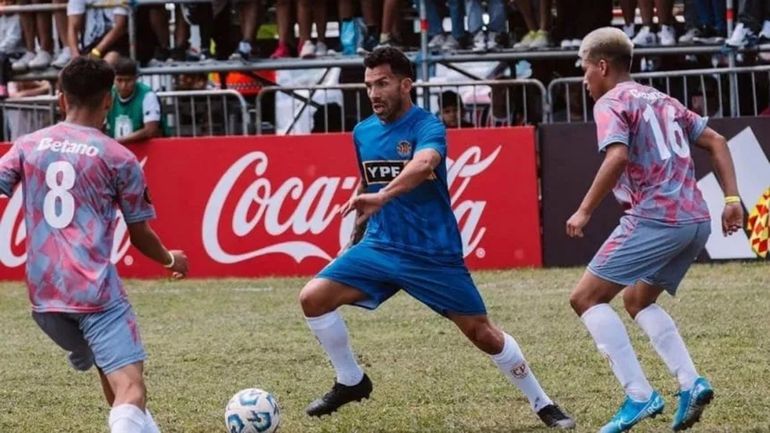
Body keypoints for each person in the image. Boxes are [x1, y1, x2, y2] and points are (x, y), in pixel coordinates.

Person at [297, 47, 576, 429]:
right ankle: (351, 380)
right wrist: (354, 238)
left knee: (483, 334)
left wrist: (383, 195)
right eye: (369, 85)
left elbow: (424, 163)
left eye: (383, 83)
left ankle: (542, 402)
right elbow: (368, 181)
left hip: (432, 253)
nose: (374, 93)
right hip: (380, 245)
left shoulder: (427, 126)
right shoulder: (362, 132)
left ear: (405, 85)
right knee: (312, 298)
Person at [567, 27, 742, 433]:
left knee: (585, 299)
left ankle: (639, 396)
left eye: (585, 69)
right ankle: (690, 381)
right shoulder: (663, 99)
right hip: (695, 220)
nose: (584, 79)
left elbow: (617, 156)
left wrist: (584, 210)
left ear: (602, 66)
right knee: (637, 299)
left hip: (656, 217)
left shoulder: (611, 101)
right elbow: (717, 140)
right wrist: (732, 199)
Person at [0, 57, 189, 433]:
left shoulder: (27, 145)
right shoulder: (119, 158)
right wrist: (171, 259)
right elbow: (139, 234)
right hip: (94, 293)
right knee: (131, 388)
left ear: (60, 99)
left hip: (44, 299)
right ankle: (89, 353)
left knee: (113, 373)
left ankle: (84, 351)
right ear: (108, 101)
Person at [106, 57, 164, 144]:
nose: (123, 85)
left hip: (145, 148)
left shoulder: (147, 95)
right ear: (113, 79)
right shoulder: (109, 94)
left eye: (128, 80)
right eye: (119, 80)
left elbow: (150, 130)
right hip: (116, 147)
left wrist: (117, 141)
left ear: (136, 78)